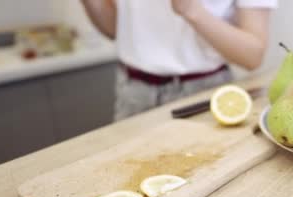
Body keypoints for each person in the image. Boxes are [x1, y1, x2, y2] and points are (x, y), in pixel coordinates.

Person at [81, 0, 277, 121]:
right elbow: (115, 29)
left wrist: (192, 10)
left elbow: (253, 55)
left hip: (202, 95)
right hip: (132, 93)